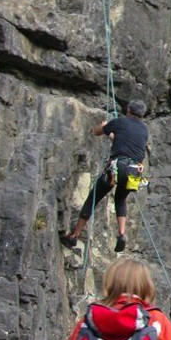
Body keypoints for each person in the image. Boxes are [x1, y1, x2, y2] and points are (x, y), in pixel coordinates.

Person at [59, 100, 149, 253]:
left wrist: (104, 125)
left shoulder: (120, 122)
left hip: (118, 165)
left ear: (128, 109)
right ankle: (121, 234)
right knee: (121, 199)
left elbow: (97, 132)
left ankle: (74, 235)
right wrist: (115, 137)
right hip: (134, 170)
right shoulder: (144, 130)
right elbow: (131, 146)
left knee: (94, 197)